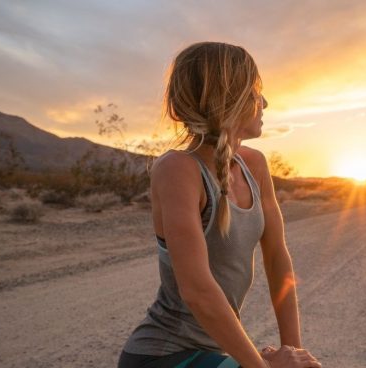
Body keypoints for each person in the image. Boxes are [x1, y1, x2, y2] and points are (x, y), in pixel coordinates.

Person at [117, 42, 322, 368]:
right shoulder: (178, 169)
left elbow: (277, 258)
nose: (264, 103)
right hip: (163, 356)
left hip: (212, 354)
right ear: (229, 99)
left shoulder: (255, 165)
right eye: (255, 93)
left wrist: (292, 353)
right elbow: (197, 291)